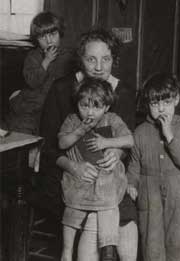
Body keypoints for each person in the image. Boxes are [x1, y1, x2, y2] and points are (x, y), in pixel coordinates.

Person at [36, 27, 138, 261]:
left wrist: (116, 151)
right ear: (80, 60)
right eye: (91, 59)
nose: (99, 67)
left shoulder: (122, 91)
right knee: (95, 217)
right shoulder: (62, 89)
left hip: (108, 177)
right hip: (66, 174)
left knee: (127, 217)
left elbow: (126, 140)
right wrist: (73, 167)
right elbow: (49, 146)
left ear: (114, 60)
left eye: (106, 59)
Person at [59, 78, 134, 261]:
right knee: (72, 209)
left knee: (108, 204)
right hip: (80, 178)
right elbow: (62, 143)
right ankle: (67, 251)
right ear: (77, 104)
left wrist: (106, 142)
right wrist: (79, 130)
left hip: (106, 178)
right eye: (84, 106)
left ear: (106, 107)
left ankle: (108, 249)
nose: (89, 112)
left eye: (96, 107)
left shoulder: (112, 119)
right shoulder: (72, 119)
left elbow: (130, 140)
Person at [126, 73, 180, 261]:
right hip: (149, 194)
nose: (160, 108)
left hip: (179, 194)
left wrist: (169, 136)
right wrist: (131, 183)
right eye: (154, 104)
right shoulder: (140, 132)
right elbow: (134, 163)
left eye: (166, 102)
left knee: (178, 244)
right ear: (147, 105)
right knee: (152, 245)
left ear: (177, 100)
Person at [6, 11, 75, 134]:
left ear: (60, 33)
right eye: (43, 36)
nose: (49, 40)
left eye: (53, 34)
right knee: (20, 132)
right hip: (31, 106)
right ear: (36, 39)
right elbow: (32, 82)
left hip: (54, 107)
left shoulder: (69, 56)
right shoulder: (32, 56)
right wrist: (46, 61)